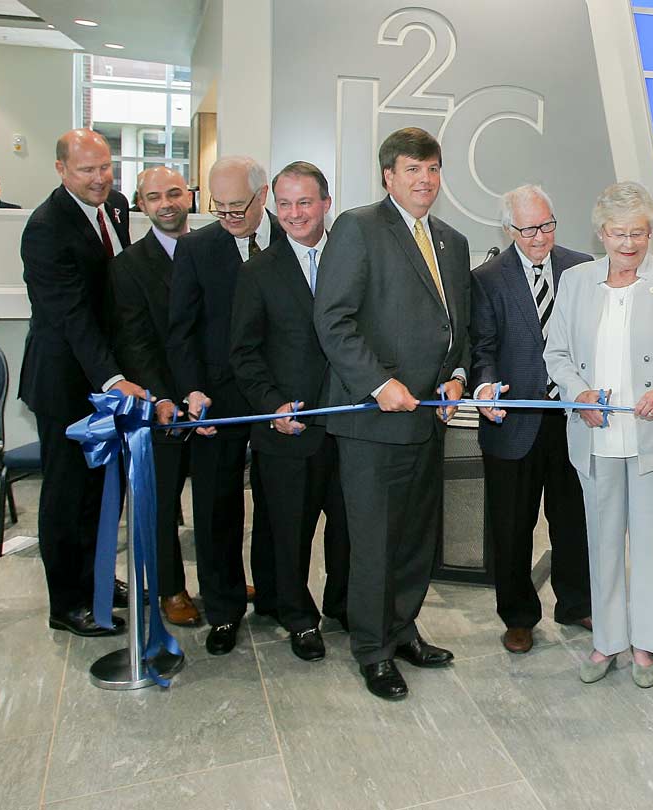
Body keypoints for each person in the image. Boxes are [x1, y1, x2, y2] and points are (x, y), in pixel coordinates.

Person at [314, 127, 470, 701]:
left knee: (414, 539)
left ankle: (403, 628)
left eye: (432, 169)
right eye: (412, 170)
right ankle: (372, 648)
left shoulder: (452, 240)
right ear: (388, 176)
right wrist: (378, 383)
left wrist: (456, 375)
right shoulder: (358, 228)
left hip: (428, 420)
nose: (425, 180)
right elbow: (333, 320)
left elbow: (459, 328)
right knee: (376, 541)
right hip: (372, 422)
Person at [543, 181, 653, 688]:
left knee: (652, 546)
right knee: (603, 542)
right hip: (596, 438)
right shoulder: (575, 281)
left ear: (650, 231)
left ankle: (644, 646)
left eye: (638, 233)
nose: (628, 244)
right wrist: (578, 393)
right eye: (618, 234)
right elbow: (557, 356)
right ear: (601, 233)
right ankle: (606, 641)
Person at [20, 129, 153, 636]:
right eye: (87, 170)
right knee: (68, 495)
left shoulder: (115, 206)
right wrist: (115, 378)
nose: (100, 179)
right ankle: (68, 602)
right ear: (61, 170)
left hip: (108, 380)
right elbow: (73, 316)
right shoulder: (46, 228)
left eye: (105, 167)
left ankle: (97, 574)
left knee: (105, 490)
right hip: (66, 384)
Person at [229, 161, 351, 662]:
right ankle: (298, 616)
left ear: (326, 203)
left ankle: (343, 607)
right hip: (288, 427)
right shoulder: (258, 271)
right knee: (289, 530)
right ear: (274, 209)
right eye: (285, 204)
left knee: (349, 529)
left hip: (348, 425)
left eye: (305, 202)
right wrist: (270, 404)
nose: (295, 214)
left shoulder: (352, 258)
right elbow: (244, 352)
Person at [470, 185, 593, 654]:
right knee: (512, 525)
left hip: (571, 419)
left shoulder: (582, 267)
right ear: (508, 230)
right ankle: (518, 616)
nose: (540, 236)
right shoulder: (487, 278)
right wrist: (485, 386)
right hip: (513, 422)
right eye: (528, 229)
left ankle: (576, 602)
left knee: (573, 518)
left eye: (547, 225)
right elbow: (482, 348)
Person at [167, 155, 282, 656]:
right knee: (216, 506)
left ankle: (278, 596)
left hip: (278, 396)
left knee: (280, 504)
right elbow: (181, 330)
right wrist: (192, 390)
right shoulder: (196, 249)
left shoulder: (292, 234)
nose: (231, 217)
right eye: (221, 208)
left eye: (240, 207)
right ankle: (223, 608)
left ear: (263, 197)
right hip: (216, 396)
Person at [107, 165, 200, 627]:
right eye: (154, 197)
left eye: (174, 193)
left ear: (189, 197)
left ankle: (222, 578)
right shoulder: (128, 266)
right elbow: (134, 342)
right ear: (141, 206)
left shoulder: (211, 251)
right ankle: (171, 589)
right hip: (160, 406)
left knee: (217, 499)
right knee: (162, 503)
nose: (166, 203)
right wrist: (163, 397)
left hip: (211, 405)